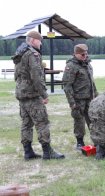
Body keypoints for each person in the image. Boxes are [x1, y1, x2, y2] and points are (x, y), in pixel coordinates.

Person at [12, 31, 64, 160]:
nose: (41, 44)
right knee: (42, 122)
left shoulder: (20, 53)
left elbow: (17, 75)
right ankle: (48, 152)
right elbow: (37, 76)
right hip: (32, 95)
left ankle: (28, 151)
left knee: (26, 123)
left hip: (22, 94)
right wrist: (44, 94)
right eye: (40, 41)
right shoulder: (32, 54)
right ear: (34, 40)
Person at [62, 44, 98, 150]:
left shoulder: (88, 64)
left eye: (86, 54)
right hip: (78, 99)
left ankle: (97, 140)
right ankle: (80, 142)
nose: (85, 56)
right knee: (79, 121)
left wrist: (96, 96)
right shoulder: (71, 66)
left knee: (93, 120)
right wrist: (72, 102)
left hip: (90, 98)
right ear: (76, 54)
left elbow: (92, 82)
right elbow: (67, 86)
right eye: (82, 54)